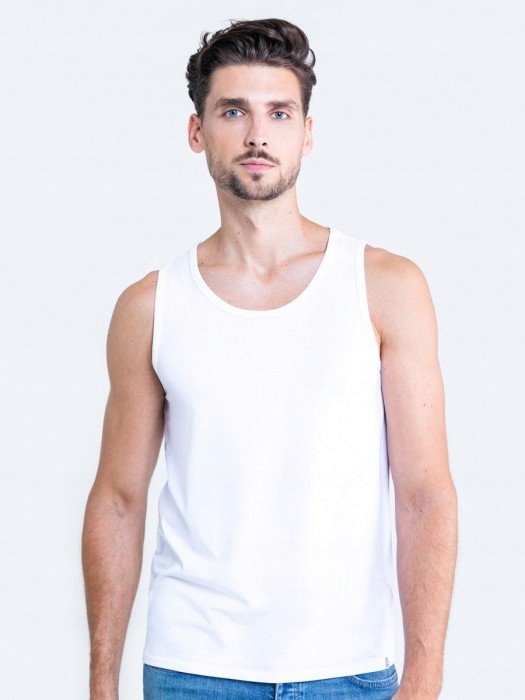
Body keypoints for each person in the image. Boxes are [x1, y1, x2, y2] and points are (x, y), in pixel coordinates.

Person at [81, 17, 458, 700]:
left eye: (278, 113)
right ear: (197, 131)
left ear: (306, 134)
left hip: (348, 670)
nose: (257, 135)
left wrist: (424, 678)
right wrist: (101, 681)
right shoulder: (151, 305)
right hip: (191, 669)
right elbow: (118, 500)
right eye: (233, 111)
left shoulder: (385, 286)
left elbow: (424, 494)